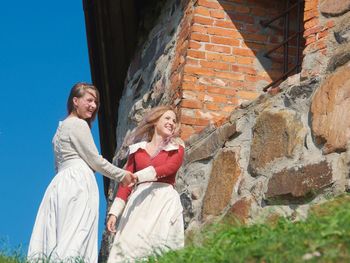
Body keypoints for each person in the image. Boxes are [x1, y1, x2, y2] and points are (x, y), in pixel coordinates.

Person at [27, 83, 136, 263]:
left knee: (59, 233)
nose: (93, 106)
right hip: (78, 183)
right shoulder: (78, 124)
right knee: (77, 232)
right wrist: (122, 175)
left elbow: (58, 164)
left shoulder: (60, 129)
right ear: (75, 101)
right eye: (89, 100)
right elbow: (95, 159)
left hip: (59, 184)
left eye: (96, 102)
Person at [106, 105, 185, 262]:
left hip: (164, 200)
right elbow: (125, 183)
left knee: (158, 246)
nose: (171, 123)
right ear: (155, 122)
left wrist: (139, 176)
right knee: (129, 246)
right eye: (167, 118)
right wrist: (114, 212)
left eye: (174, 120)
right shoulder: (137, 150)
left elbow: (170, 168)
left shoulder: (177, 148)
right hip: (139, 203)